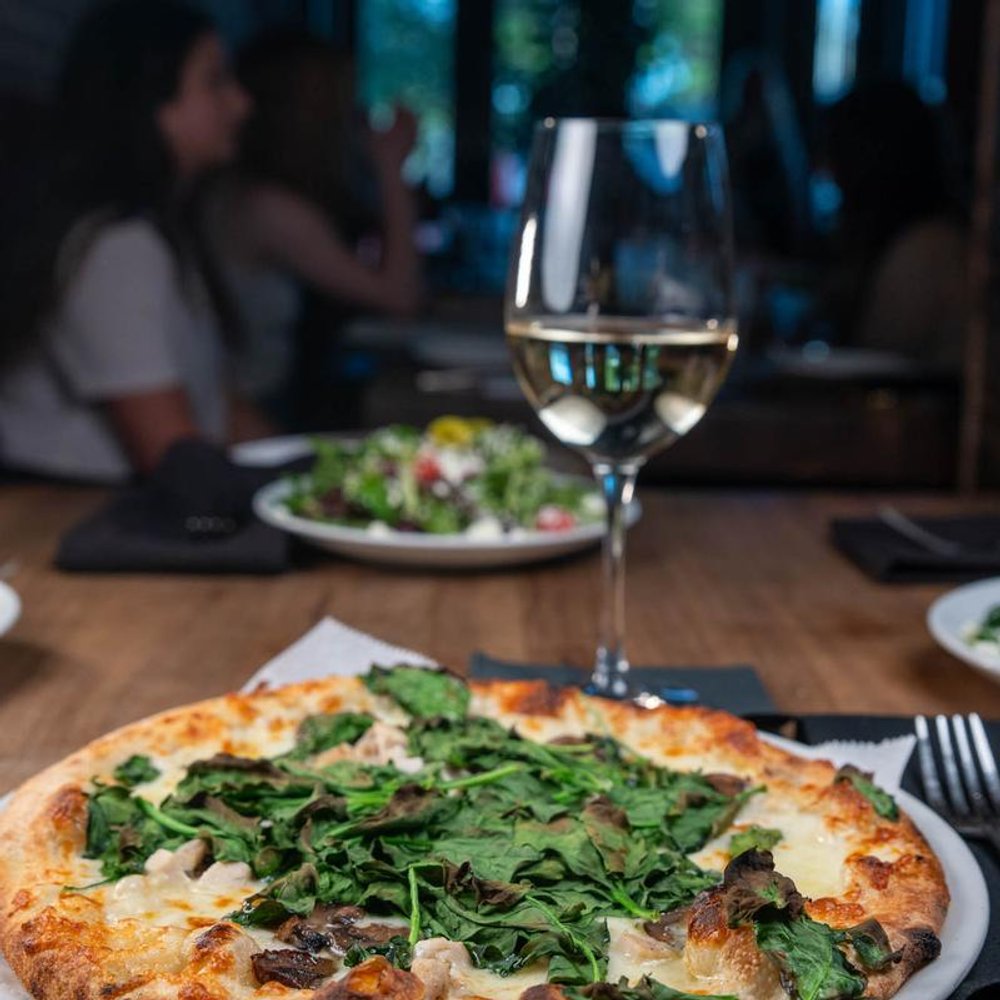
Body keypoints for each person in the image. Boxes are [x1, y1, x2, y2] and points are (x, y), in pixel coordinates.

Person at [0, 0, 270, 482]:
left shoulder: (166, 231)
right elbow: (171, 456)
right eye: (215, 82)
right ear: (152, 102)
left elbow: (220, 407)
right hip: (69, 510)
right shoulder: (114, 248)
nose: (241, 103)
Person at [207, 31, 423, 413]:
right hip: (260, 404)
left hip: (269, 396)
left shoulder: (256, 191)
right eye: (339, 102)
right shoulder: (267, 207)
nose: (355, 116)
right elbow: (401, 296)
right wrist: (392, 168)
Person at [819, 82, 967, 368]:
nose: (827, 170)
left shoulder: (926, 251)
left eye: (836, 151)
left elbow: (873, 359)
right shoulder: (920, 240)